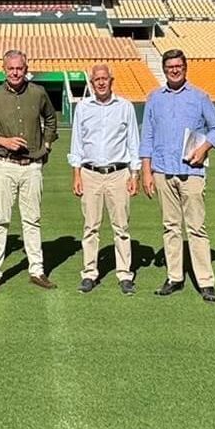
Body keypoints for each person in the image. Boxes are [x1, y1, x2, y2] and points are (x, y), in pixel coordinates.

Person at [140, 48, 215, 303]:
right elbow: (148, 137)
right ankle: (174, 277)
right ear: (164, 70)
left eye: (178, 66)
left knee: (197, 228)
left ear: (185, 68)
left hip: (192, 172)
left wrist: (204, 148)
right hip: (163, 172)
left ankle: (205, 281)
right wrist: (146, 171)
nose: (174, 70)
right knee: (170, 227)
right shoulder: (154, 98)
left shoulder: (199, 97)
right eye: (169, 67)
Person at [0, 49, 58, 292]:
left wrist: (47, 144)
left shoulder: (38, 93)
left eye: (19, 68)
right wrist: (4, 141)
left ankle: (37, 270)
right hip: (4, 165)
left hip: (32, 166)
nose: (15, 72)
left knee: (32, 220)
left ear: (26, 68)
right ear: (4, 70)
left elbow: (51, 120)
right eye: (11, 68)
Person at [69, 63, 141, 295]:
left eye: (104, 79)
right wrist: (76, 174)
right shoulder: (83, 107)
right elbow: (77, 143)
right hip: (90, 174)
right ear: (91, 83)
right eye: (96, 79)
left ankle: (124, 274)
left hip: (119, 174)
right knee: (90, 227)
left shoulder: (125, 107)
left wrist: (135, 173)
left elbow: (133, 141)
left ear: (111, 80)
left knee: (121, 227)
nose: (100, 82)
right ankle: (89, 273)